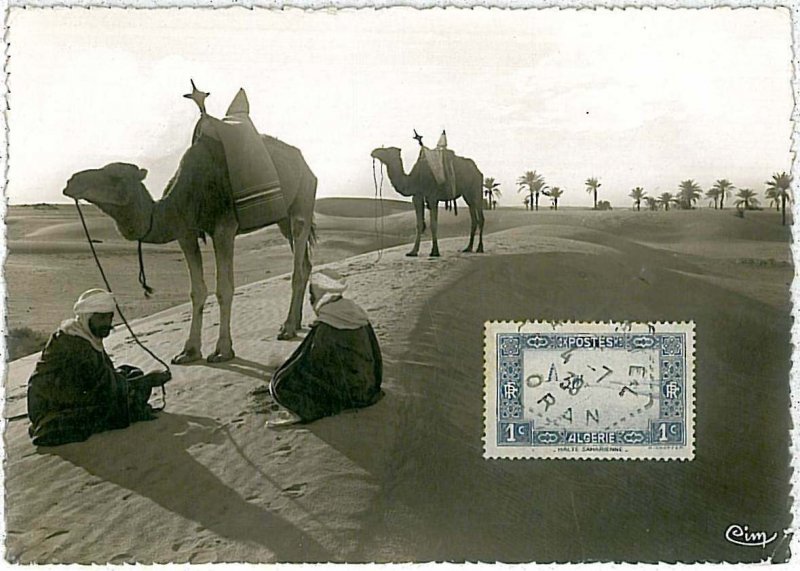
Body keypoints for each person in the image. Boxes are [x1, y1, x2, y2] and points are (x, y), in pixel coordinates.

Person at [27, 289, 171, 447]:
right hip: (52, 406)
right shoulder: (76, 343)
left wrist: (140, 380)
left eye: (109, 317)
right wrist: (147, 381)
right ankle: (47, 425)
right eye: (101, 318)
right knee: (120, 406)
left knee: (131, 373)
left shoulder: (84, 334)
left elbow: (103, 373)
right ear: (87, 317)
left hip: (76, 394)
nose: (107, 324)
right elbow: (103, 388)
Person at [269, 269, 383, 425]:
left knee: (281, 384)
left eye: (312, 297)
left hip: (350, 390)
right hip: (368, 385)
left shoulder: (327, 323)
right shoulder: (356, 312)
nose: (311, 301)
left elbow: (316, 361)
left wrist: (287, 369)